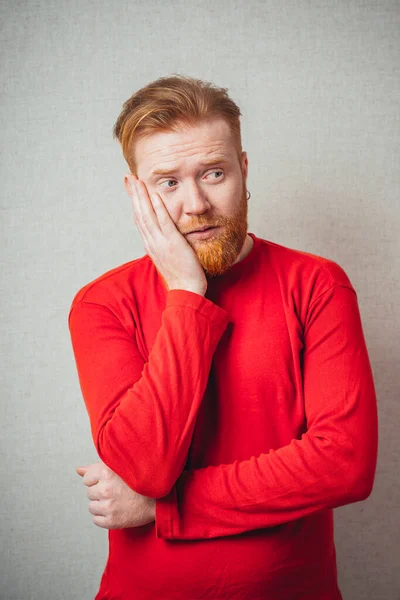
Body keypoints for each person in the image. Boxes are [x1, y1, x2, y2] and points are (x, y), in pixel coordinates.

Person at [68, 75, 378, 600]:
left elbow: (343, 464)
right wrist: (188, 294)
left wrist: (167, 507)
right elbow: (144, 467)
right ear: (136, 192)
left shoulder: (317, 283)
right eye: (167, 182)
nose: (196, 205)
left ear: (244, 169)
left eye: (214, 173)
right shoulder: (102, 303)